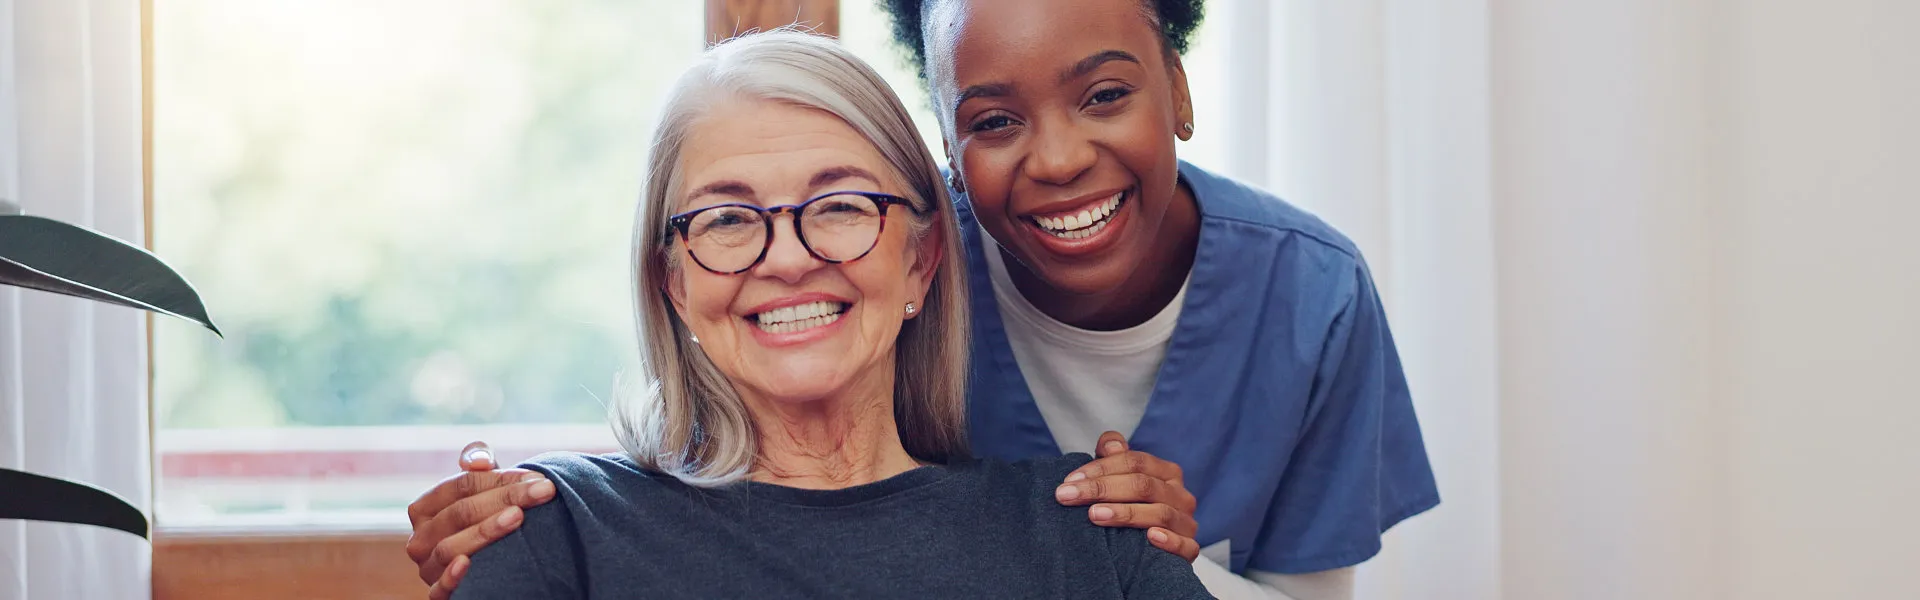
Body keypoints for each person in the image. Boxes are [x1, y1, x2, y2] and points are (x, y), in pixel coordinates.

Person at [411, 1, 1440, 598]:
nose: (789, 256)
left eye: (842, 208)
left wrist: (1152, 550)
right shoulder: (556, 543)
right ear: (668, 277)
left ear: (921, 258)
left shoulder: (1299, 304)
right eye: (727, 219)